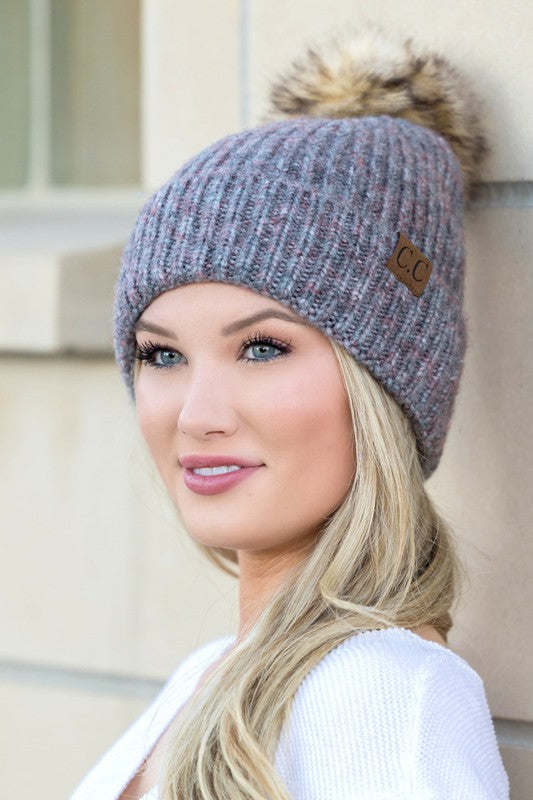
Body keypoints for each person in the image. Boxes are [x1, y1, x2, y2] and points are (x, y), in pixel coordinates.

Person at [71, 24, 510, 800]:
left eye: (263, 348)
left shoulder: (385, 695)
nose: (196, 416)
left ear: (384, 385)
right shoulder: (206, 673)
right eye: (162, 355)